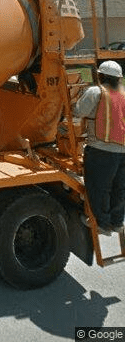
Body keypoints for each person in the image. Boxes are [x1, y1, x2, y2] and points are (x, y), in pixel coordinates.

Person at [74, 60, 125, 235]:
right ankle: (117, 223)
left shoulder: (96, 91)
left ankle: (102, 224)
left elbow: (79, 111)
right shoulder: (124, 94)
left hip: (101, 150)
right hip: (123, 150)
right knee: (120, 188)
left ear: (101, 75)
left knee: (98, 187)